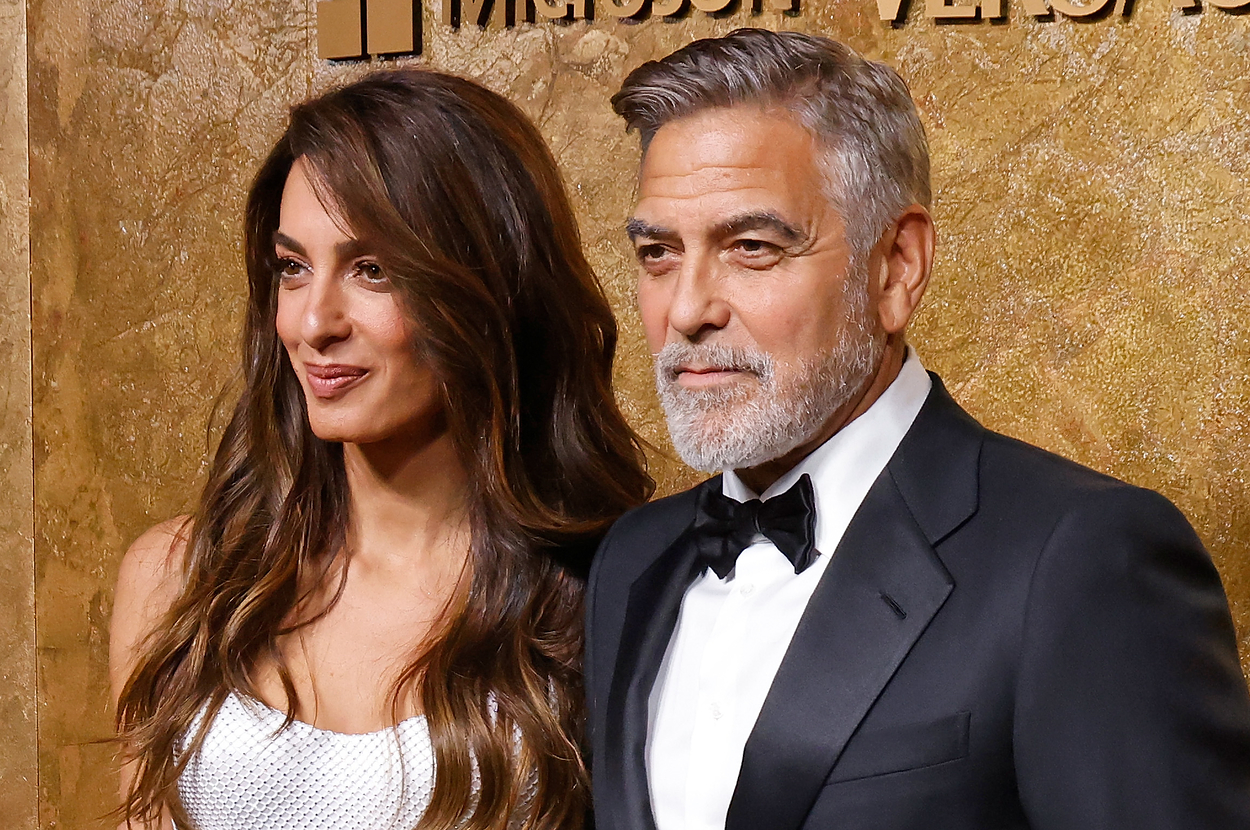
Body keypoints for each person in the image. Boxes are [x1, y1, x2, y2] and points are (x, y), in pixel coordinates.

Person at [585, 28, 1250, 830]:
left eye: (751, 247)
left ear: (897, 265)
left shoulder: (1082, 558)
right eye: (659, 253)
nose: (688, 310)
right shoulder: (631, 561)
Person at [109, 68, 653, 830]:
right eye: (293, 268)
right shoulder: (181, 581)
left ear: (489, 287)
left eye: (372, 270)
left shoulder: (602, 598)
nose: (313, 323)